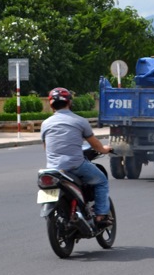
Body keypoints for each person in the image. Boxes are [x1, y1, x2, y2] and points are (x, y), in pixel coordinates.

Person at [40, 87, 113, 226]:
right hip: (75, 166)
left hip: (53, 169)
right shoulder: (80, 121)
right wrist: (105, 149)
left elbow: (46, 147)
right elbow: (95, 144)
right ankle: (101, 216)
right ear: (70, 103)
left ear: (51, 105)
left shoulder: (45, 124)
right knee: (101, 181)